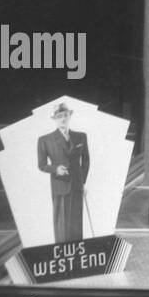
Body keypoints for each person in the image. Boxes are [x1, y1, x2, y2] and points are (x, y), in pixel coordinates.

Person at [36, 102, 89, 242]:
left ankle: (77, 255)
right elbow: (41, 165)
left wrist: (82, 182)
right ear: (55, 119)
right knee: (61, 227)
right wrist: (55, 169)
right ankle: (61, 254)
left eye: (65, 115)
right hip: (59, 187)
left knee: (76, 225)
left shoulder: (81, 137)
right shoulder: (45, 140)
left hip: (77, 187)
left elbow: (86, 161)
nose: (63, 119)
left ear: (69, 116)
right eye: (59, 116)